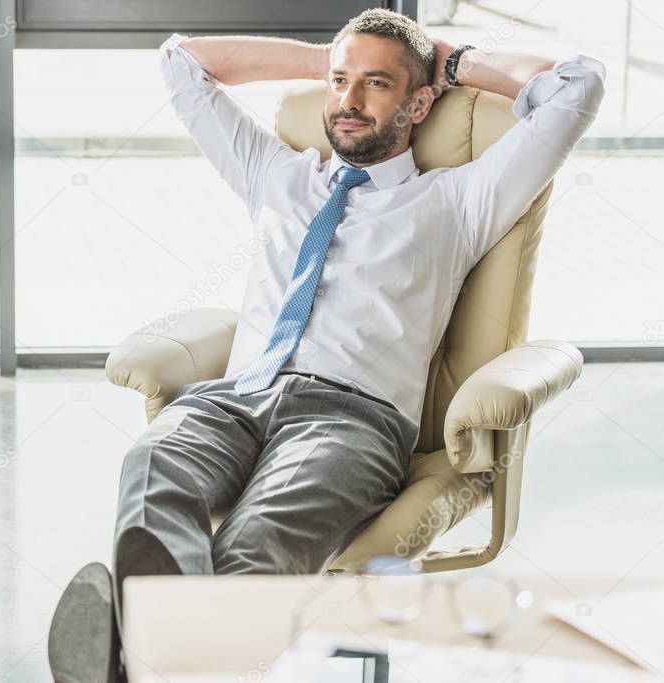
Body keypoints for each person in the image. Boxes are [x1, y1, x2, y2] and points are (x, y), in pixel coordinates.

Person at [48, 8, 605, 682]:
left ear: (419, 100)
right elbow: (181, 61)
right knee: (153, 463)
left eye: (376, 84)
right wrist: (330, 59)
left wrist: (447, 62)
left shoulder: (457, 201)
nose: (346, 100)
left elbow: (578, 83)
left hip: (348, 420)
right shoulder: (277, 175)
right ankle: (162, 655)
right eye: (340, 83)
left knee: (257, 543)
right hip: (229, 401)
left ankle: (142, 657)